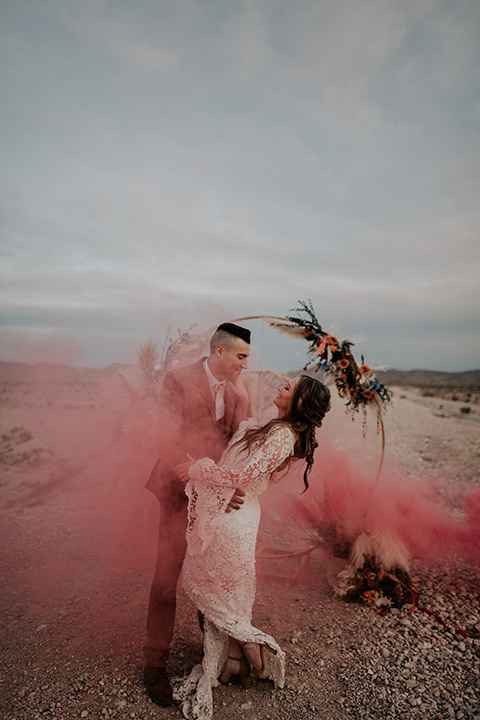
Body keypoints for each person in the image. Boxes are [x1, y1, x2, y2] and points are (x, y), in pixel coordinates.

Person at [174, 374, 331, 720]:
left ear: (301, 400)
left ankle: (251, 644)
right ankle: (234, 658)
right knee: (221, 590)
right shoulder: (275, 428)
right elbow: (242, 437)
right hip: (232, 514)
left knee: (213, 588)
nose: (280, 388)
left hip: (235, 519)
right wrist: (241, 396)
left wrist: (195, 469)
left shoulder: (283, 435)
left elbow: (240, 477)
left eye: (288, 387)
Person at [143, 323, 252, 706]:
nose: (245, 364)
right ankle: (153, 665)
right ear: (219, 352)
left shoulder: (241, 389)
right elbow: (165, 437)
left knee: (211, 571)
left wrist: (228, 488)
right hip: (176, 492)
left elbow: (241, 447)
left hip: (216, 495)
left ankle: (214, 652)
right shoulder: (178, 379)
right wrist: (205, 481)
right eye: (241, 356)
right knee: (166, 575)